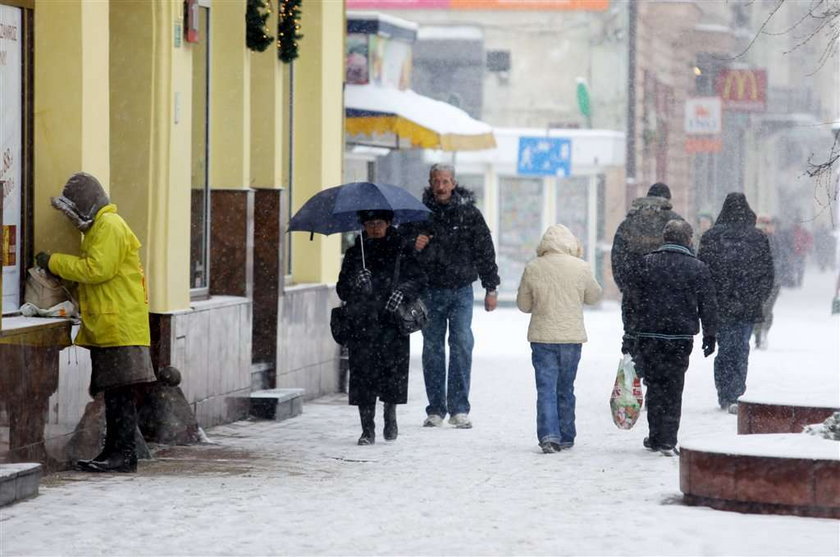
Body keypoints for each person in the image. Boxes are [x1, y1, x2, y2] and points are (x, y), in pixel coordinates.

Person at [36, 172, 156, 472]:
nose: (73, 219)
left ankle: (122, 454)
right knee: (116, 393)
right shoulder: (101, 227)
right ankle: (116, 452)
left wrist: (53, 262)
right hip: (113, 325)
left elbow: (96, 269)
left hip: (120, 327)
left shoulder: (109, 225)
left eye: (74, 210)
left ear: (85, 205)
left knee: (119, 394)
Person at [401, 164, 499, 429]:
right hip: (429, 290)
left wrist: (491, 287)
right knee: (432, 349)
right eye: (437, 181)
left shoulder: (469, 214)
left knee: (462, 344)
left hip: (461, 291)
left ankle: (459, 408)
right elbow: (401, 250)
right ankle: (435, 409)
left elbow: (484, 251)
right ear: (430, 184)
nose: (441, 186)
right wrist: (413, 243)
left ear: (454, 183)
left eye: (445, 181)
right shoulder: (418, 216)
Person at [336, 210, 427, 445]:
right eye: (369, 224)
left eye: (379, 223)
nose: (374, 228)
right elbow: (342, 289)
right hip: (362, 324)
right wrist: (355, 282)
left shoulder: (402, 249)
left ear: (388, 224)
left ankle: (390, 414)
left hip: (391, 323)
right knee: (363, 375)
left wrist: (402, 292)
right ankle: (367, 429)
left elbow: (419, 279)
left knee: (392, 374)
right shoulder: (356, 253)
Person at [629, 220, 718, 455]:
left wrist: (629, 333)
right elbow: (708, 304)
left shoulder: (646, 264)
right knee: (674, 387)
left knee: (655, 385)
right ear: (688, 240)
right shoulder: (698, 268)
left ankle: (656, 435)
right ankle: (668, 438)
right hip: (680, 337)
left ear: (664, 238)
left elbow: (631, 302)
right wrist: (710, 334)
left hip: (650, 334)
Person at [516, 224, 602, 453]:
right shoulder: (580, 267)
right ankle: (566, 435)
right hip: (571, 338)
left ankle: (548, 435)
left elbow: (523, 305)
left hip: (542, 337)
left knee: (546, 388)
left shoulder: (533, 267)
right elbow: (594, 296)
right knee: (566, 387)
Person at [698, 193, 774, 414]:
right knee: (741, 347)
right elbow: (767, 274)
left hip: (720, 305)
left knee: (724, 348)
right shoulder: (758, 238)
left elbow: (703, 271)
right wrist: (757, 296)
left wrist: (708, 298)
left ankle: (724, 392)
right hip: (747, 305)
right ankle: (737, 392)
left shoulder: (711, 237)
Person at [610, 182, 683, 361]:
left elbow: (617, 258)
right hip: (668, 295)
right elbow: (687, 258)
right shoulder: (676, 222)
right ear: (668, 199)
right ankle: (658, 376)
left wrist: (625, 286)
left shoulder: (629, 223)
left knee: (634, 337)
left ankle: (636, 369)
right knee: (663, 341)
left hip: (635, 294)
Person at [753, 216, 783, 350]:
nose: (766, 227)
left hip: (773, 281)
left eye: (768, 225)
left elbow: (780, 260)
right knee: (758, 308)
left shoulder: (775, 241)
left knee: (767, 309)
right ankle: (758, 335)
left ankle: (763, 332)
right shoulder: (754, 240)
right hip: (756, 282)